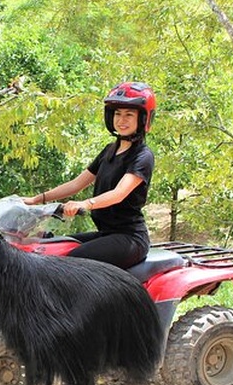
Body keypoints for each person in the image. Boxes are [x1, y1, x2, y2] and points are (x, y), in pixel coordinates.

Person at [24, 82, 157, 269]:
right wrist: (36, 199)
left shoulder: (142, 156)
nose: (121, 120)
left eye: (129, 114)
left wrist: (85, 204)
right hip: (106, 233)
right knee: (49, 247)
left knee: (72, 262)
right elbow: (77, 184)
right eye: (117, 114)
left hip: (130, 238)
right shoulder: (109, 151)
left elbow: (119, 193)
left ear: (143, 119)